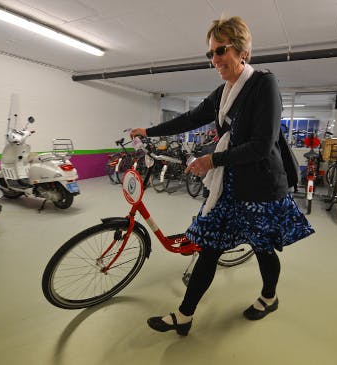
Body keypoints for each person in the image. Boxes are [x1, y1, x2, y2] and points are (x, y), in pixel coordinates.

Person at [130, 15, 314, 337]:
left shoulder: (263, 85)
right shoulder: (223, 93)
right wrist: (149, 130)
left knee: (263, 249)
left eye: (220, 51)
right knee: (209, 248)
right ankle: (184, 316)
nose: (214, 60)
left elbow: (262, 145)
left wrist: (212, 160)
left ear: (242, 51)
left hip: (260, 188)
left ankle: (269, 297)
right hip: (230, 188)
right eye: (210, 54)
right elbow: (190, 117)